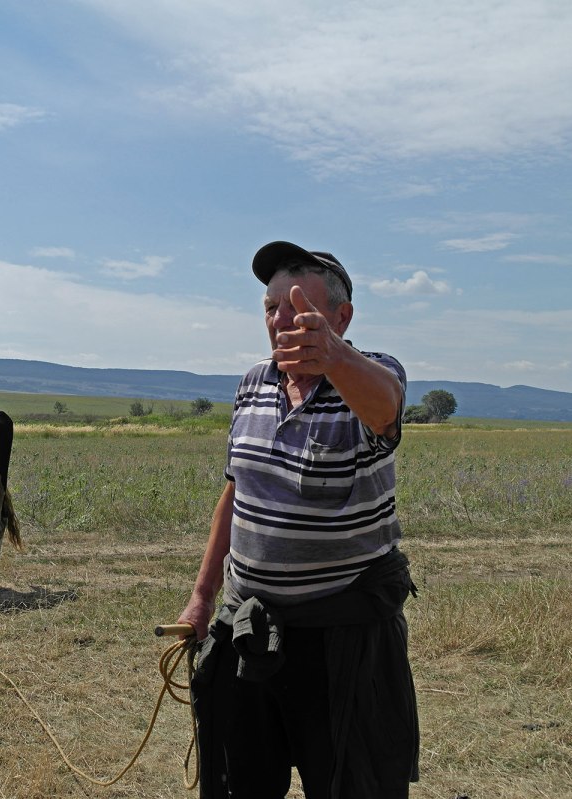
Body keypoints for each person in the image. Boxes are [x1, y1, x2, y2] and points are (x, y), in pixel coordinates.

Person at [178, 241, 420, 799]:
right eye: (271, 308)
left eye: (298, 309)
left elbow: (385, 408)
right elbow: (237, 492)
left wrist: (334, 357)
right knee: (241, 783)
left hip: (343, 640)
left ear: (341, 317)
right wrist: (202, 597)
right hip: (250, 628)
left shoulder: (373, 375)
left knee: (353, 783)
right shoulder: (252, 382)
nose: (281, 321)